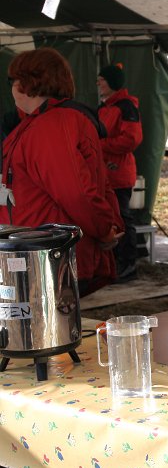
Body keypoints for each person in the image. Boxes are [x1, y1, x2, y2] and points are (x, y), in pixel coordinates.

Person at [1, 47, 123, 295]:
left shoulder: (51, 125)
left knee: (51, 319)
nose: (12, 88)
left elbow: (76, 193)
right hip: (37, 252)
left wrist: (104, 230)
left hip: (48, 255)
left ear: (27, 82)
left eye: (13, 81)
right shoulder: (40, 122)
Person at [97, 63, 143, 282]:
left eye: (102, 80)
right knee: (110, 219)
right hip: (105, 173)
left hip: (119, 173)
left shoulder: (125, 107)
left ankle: (128, 265)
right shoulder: (104, 107)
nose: (98, 84)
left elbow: (132, 139)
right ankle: (115, 265)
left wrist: (100, 145)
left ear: (112, 83)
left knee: (123, 219)